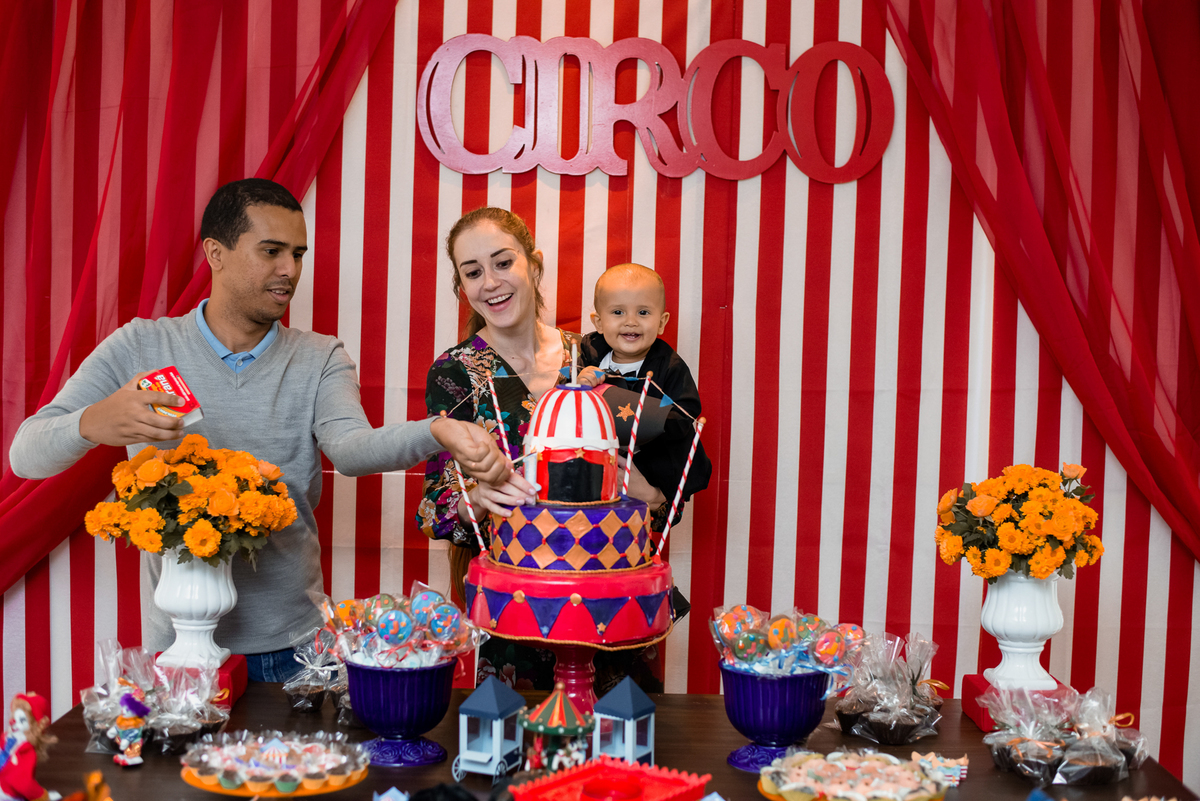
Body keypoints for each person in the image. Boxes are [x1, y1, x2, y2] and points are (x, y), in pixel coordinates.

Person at [9, 178, 508, 682]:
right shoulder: (140, 345)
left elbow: (351, 449)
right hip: (179, 649)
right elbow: (25, 454)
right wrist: (94, 422)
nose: (289, 270)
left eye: (297, 254)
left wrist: (438, 431)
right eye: (271, 251)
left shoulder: (320, 357)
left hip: (295, 650)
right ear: (216, 253)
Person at [417, 207, 665, 692]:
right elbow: (435, 507)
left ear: (534, 265)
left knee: (619, 729)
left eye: (502, 262)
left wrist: (652, 493)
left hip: (609, 599)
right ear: (462, 286)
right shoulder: (455, 372)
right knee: (522, 733)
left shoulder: (591, 353)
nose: (491, 282)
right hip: (520, 609)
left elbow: (660, 459)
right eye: (473, 272)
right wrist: (476, 498)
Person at [578, 263, 711, 531]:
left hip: (648, 461)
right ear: (599, 322)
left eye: (643, 312)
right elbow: (566, 404)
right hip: (595, 462)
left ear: (661, 322)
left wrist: (655, 419)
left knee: (629, 530)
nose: (631, 321)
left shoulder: (670, 366)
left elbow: (686, 411)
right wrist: (580, 380)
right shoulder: (589, 356)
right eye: (618, 312)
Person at [0, 693, 58, 801]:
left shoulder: (25, 751)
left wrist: (41, 795)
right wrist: (42, 796)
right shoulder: (7, 741)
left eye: (21, 720)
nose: (12, 722)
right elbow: (22, 782)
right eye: (14, 717)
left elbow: (22, 782)